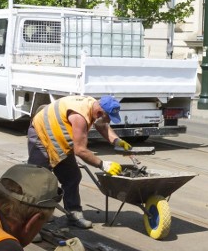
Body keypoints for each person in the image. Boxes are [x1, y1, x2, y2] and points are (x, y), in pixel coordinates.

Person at [27, 95, 132, 228]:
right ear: (99, 113)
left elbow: (101, 124)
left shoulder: (94, 106)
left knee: (72, 177)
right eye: (108, 118)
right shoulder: (80, 117)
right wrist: (102, 164)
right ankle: (32, 220)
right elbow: (80, 150)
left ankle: (73, 214)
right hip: (41, 132)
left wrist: (116, 140)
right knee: (39, 179)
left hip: (59, 138)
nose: (109, 121)